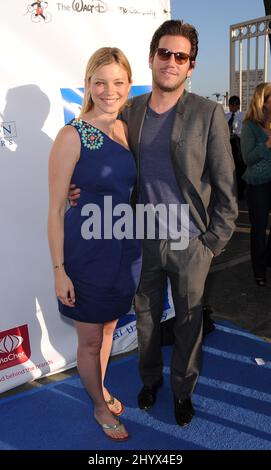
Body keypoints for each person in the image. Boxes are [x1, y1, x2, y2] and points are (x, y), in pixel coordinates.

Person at [69, 20, 238, 427]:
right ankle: (150, 382)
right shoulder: (131, 110)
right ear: (151, 57)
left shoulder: (208, 113)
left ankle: (183, 391)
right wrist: (80, 190)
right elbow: (106, 164)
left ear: (191, 66)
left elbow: (227, 187)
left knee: (188, 321)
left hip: (190, 240)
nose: (171, 62)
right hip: (141, 235)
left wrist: (211, 244)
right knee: (145, 318)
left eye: (181, 56)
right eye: (165, 53)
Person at [48, 47, 142, 441]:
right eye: (100, 82)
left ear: (128, 85)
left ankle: (99, 385)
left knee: (106, 332)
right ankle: (99, 407)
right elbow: (54, 210)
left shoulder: (125, 128)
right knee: (89, 339)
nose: (109, 90)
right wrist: (59, 271)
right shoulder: (72, 135)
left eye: (118, 82)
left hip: (124, 251)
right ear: (87, 85)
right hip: (86, 255)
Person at [240, 82, 271, 287]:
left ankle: (267, 258)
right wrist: (267, 144)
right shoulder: (249, 127)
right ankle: (258, 270)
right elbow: (247, 158)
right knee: (259, 230)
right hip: (258, 184)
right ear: (263, 101)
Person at [225, 95, 246, 199]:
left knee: (239, 168)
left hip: (238, 143)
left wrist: (236, 135)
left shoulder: (243, 115)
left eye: (235, 104)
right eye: (231, 104)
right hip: (228, 143)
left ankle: (240, 192)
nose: (232, 107)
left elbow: (244, 131)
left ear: (238, 105)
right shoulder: (226, 116)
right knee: (228, 167)